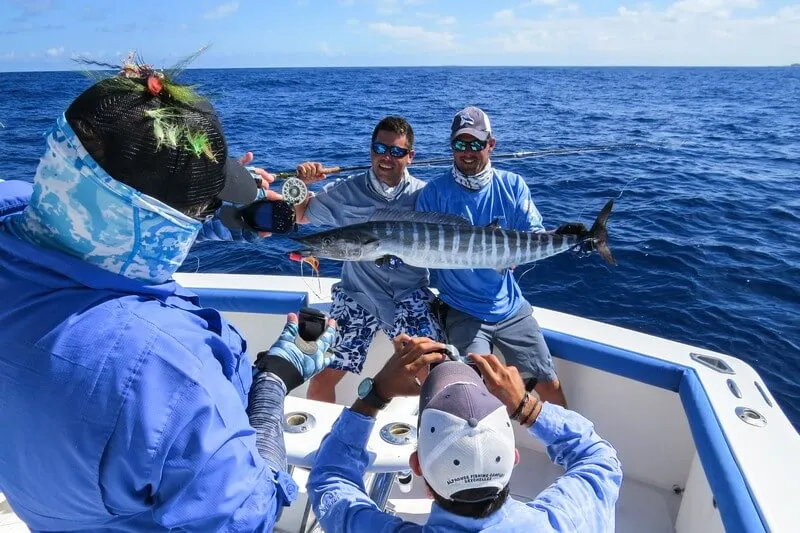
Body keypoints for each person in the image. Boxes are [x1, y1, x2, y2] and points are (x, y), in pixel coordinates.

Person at [0, 59, 338, 532]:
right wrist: (273, 382)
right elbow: (252, 513)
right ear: (165, 222)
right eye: (201, 208)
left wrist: (209, 225)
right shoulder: (171, 374)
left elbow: (93, 219)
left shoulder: (14, 207)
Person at [307, 337, 622, 532]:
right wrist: (527, 408)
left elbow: (330, 481)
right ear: (514, 458)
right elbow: (598, 457)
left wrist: (373, 396)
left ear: (416, 466)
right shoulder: (565, 521)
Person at [416, 106, 567, 407]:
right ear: (451, 147)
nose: (468, 152)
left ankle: (574, 449)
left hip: (510, 306)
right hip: (462, 309)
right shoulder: (433, 193)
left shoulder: (512, 185)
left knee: (548, 382)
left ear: (491, 144)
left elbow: (533, 234)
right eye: (460, 144)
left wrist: (569, 237)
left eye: (476, 144)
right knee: (471, 390)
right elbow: (420, 247)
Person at [290, 116, 443, 403]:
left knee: (436, 374)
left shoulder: (426, 195)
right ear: (371, 150)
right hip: (357, 294)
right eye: (379, 149)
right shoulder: (346, 190)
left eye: (396, 151)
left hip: (409, 293)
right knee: (320, 377)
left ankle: (422, 434)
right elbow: (301, 215)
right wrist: (300, 184)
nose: (386, 157)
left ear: (410, 156)